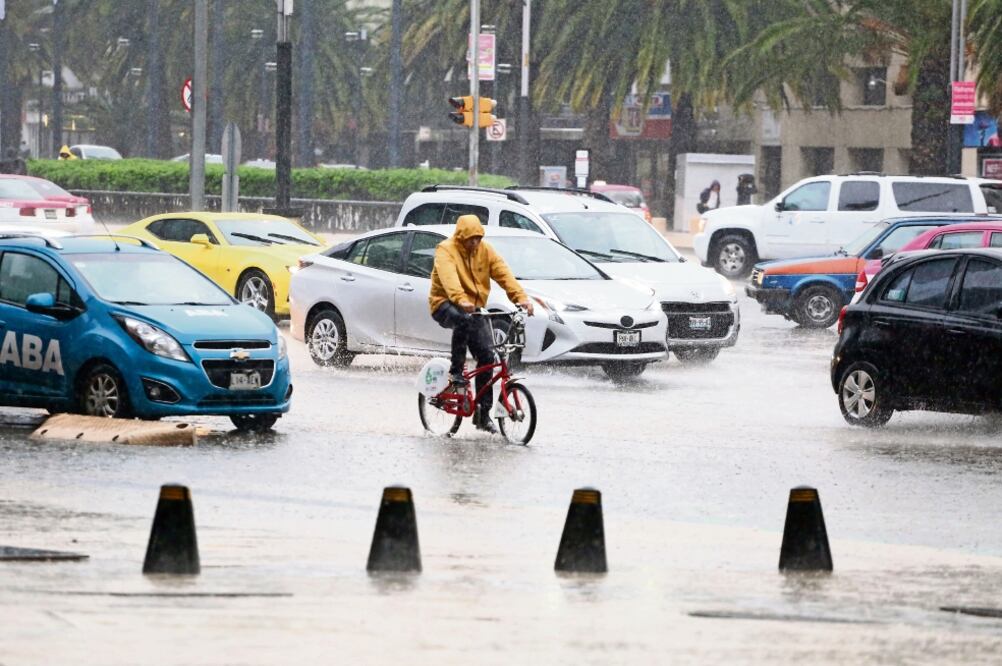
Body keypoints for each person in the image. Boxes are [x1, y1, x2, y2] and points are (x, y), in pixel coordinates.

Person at [428, 215, 534, 434]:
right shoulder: (446, 250)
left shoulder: (486, 251)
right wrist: (460, 300)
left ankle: (482, 415)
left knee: (487, 356)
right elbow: (449, 279)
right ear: (461, 237)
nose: (475, 243)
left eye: (478, 238)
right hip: (445, 303)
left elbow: (503, 274)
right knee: (463, 320)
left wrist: (521, 298)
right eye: (471, 239)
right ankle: (456, 372)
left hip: (474, 308)